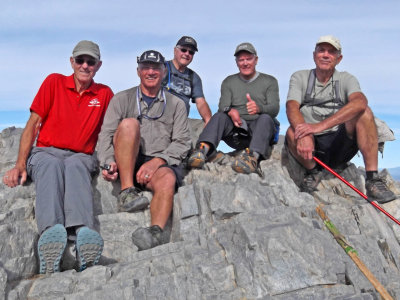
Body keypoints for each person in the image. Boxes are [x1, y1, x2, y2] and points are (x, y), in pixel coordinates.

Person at [2, 40, 113, 273]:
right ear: (71, 62)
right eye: (80, 60)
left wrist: (111, 162)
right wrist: (19, 165)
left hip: (81, 155)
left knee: (76, 167)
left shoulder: (104, 94)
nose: (85, 66)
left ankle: (84, 235)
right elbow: (32, 124)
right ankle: (51, 235)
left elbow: (109, 133)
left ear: (98, 65)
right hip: (46, 151)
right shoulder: (54, 82)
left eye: (90, 62)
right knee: (51, 166)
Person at [97, 50, 191, 251]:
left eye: (155, 68)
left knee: (168, 179)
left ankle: (155, 233)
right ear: (138, 71)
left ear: (164, 72)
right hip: (128, 159)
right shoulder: (122, 98)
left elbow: (182, 142)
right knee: (129, 124)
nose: (150, 72)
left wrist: (157, 161)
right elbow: (106, 134)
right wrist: (107, 160)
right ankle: (127, 191)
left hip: (158, 162)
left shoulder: (177, 104)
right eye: (145, 67)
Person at [285, 35, 396, 203]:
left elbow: (360, 101)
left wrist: (318, 127)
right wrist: (304, 133)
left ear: (339, 58)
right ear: (314, 55)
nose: (325, 55)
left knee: (364, 112)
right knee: (291, 132)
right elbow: (292, 106)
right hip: (311, 148)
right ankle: (313, 172)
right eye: (321, 50)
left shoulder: (346, 79)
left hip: (339, 143)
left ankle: (372, 180)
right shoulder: (300, 77)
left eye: (331, 52)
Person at [187, 42, 280, 175]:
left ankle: (252, 158)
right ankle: (202, 151)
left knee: (265, 118)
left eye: (248, 59)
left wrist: (259, 108)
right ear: (236, 62)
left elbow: (274, 108)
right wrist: (230, 111)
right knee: (219, 116)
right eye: (241, 60)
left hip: (258, 132)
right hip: (236, 133)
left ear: (256, 60)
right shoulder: (229, 82)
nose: (245, 63)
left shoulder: (270, 81)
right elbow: (222, 106)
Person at [162, 36, 212, 124]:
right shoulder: (162, 67)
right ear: (175, 50)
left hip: (181, 122)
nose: (187, 54)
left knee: (208, 127)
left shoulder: (194, 77)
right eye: (183, 50)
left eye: (191, 52)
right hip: (160, 118)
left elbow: (201, 103)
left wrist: (209, 120)